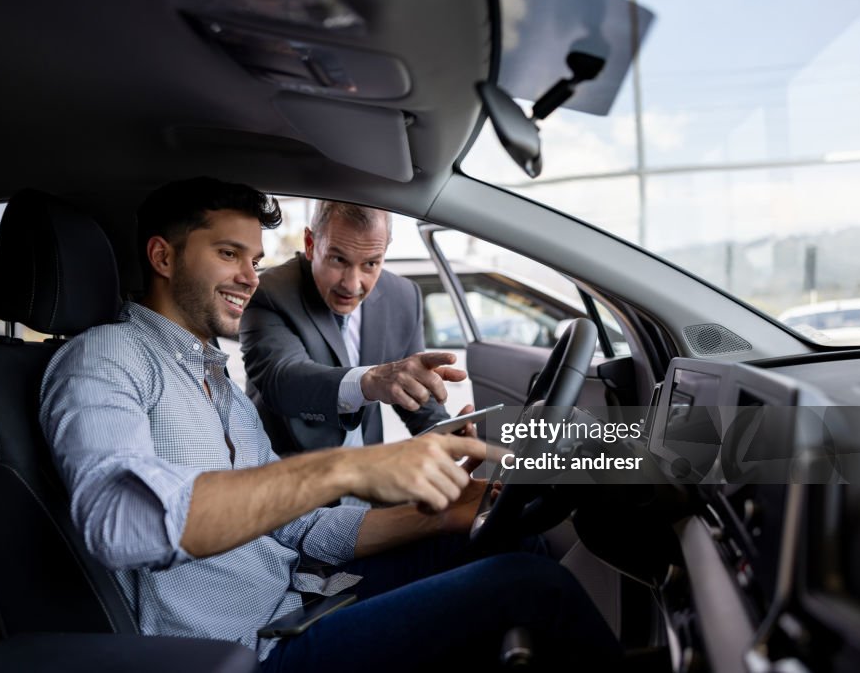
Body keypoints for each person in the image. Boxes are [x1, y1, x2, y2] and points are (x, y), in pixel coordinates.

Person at [39, 177, 620, 671]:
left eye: (255, 260)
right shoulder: (106, 358)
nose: (250, 276)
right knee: (532, 590)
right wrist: (349, 467)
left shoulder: (215, 379)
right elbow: (120, 523)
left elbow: (298, 530)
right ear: (163, 257)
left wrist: (445, 512)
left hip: (302, 595)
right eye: (228, 254)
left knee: (518, 540)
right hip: (245, 651)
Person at [239, 201, 463, 456]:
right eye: (338, 259)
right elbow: (283, 380)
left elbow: (412, 389)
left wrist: (446, 434)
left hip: (368, 472)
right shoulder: (269, 292)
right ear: (311, 244)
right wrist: (370, 382)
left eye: (371, 264)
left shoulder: (403, 296)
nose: (352, 284)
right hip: (286, 474)